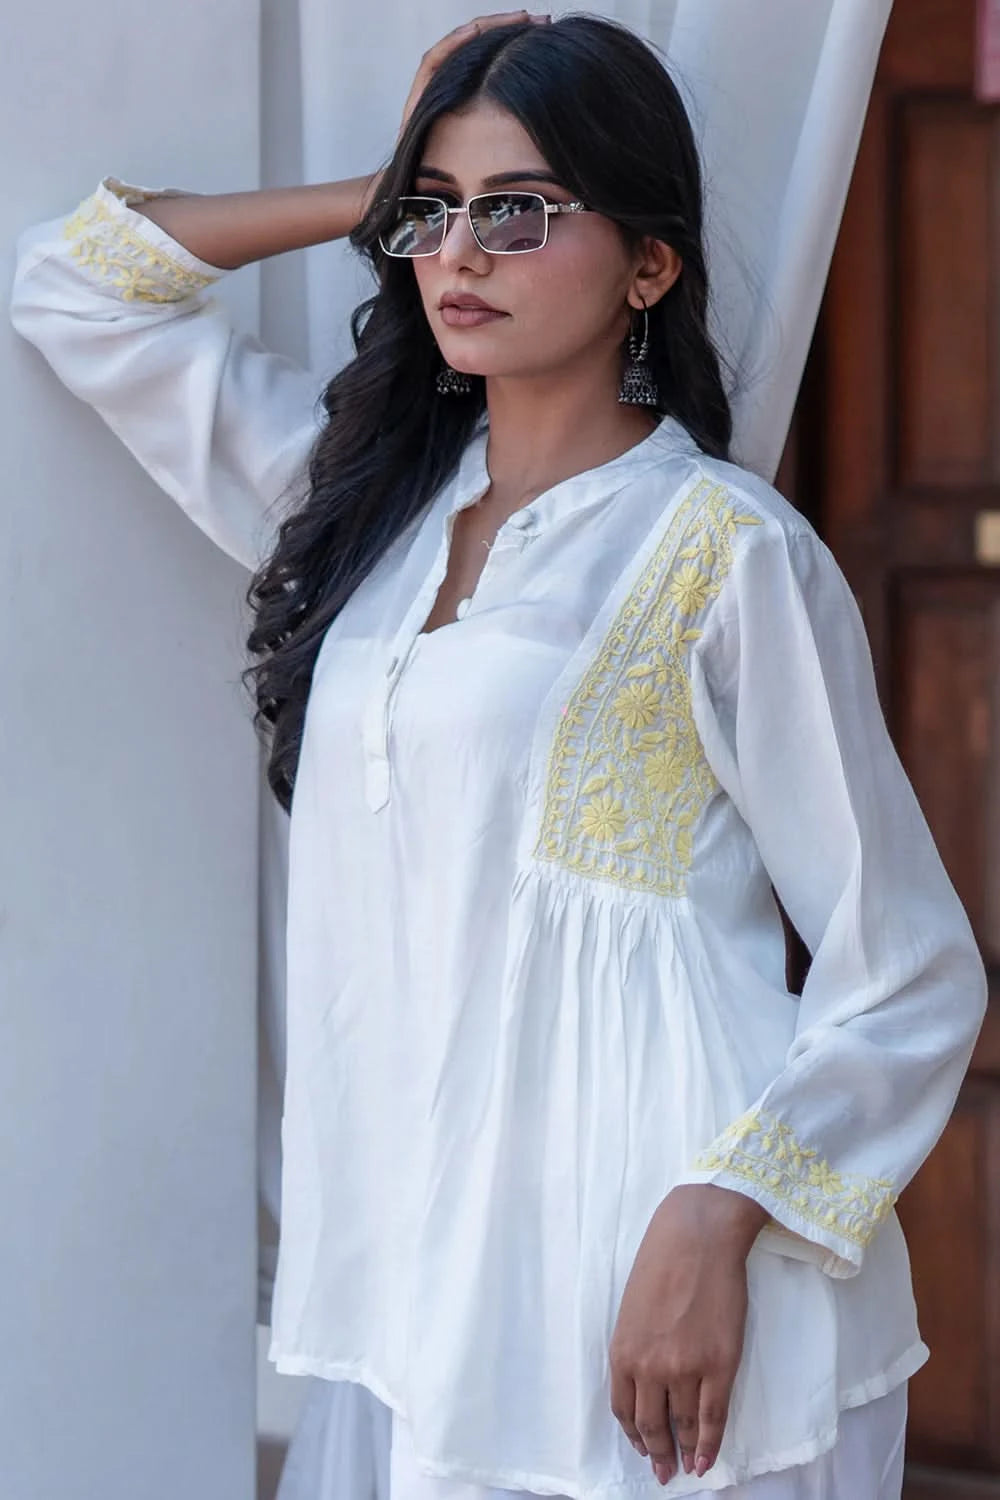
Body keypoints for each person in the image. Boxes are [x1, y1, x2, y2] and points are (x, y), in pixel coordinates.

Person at [10, 11, 987, 1499]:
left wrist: (720, 1214)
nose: (460, 253)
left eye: (520, 213)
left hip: (660, 1304)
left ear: (649, 264)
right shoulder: (357, 515)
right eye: (437, 212)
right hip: (420, 1303)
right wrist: (375, 186)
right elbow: (75, 285)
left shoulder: (727, 554)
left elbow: (906, 964)